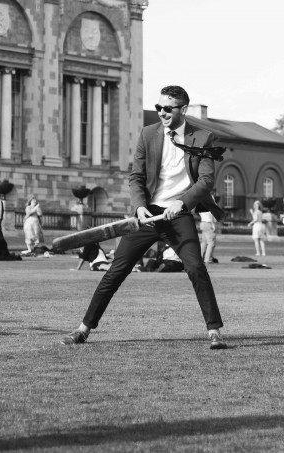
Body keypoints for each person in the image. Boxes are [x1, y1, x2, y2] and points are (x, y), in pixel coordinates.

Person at [60, 85, 229, 350]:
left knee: (196, 268)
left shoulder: (203, 137)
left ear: (183, 109)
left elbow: (206, 180)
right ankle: (83, 330)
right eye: (158, 107)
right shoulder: (148, 134)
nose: (161, 112)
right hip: (148, 214)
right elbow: (136, 176)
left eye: (168, 108)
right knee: (115, 271)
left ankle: (214, 332)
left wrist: (182, 202)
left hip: (179, 215)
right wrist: (139, 206)